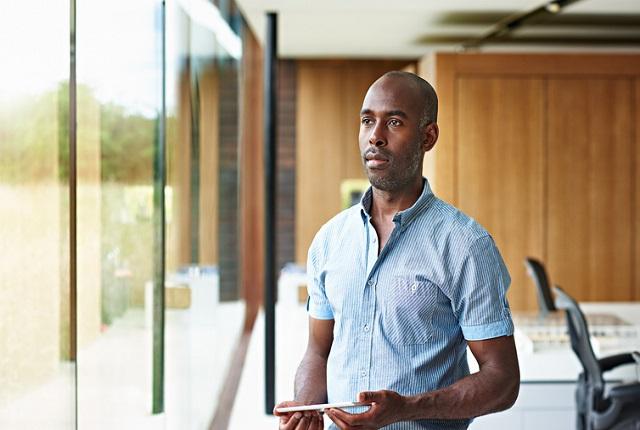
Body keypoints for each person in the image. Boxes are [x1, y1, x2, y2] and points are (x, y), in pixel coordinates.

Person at [274, 71, 520, 430]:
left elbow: (503, 381)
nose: (375, 136)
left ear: (428, 136)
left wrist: (405, 407)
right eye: (367, 121)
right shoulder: (329, 240)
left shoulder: (466, 244)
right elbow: (317, 351)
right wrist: (306, 408)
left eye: (393, 122)